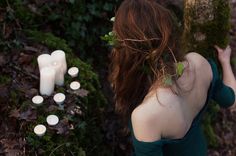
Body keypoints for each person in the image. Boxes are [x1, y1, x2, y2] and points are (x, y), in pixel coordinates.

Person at [108, 0, 236, 156]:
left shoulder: (145, 116)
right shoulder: (198, 61)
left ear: (126, 51)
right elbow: (231, 100)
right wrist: (225, 62)